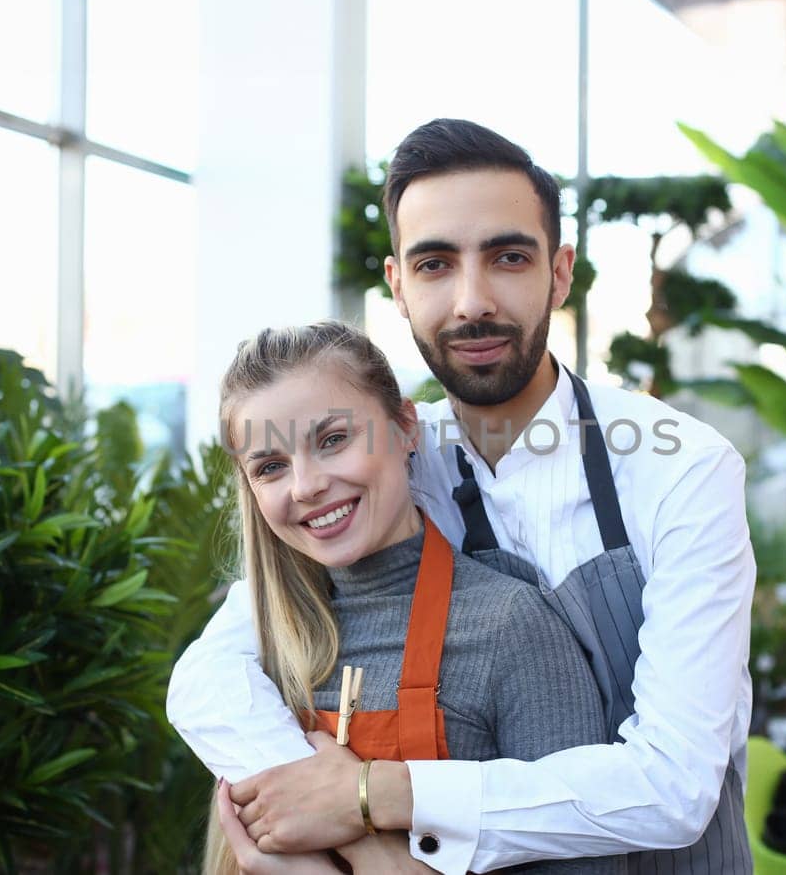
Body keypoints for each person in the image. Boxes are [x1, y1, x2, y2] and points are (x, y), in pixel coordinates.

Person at [171, 119, 756, 874]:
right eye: (435, 264)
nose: (472, 301)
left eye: (508, 257)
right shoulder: (387, 459)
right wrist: (329, 822)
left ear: (559, 272)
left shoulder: (682, 470)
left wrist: (369, 794)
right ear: (398, 287)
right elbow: (208, 675)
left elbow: (673, 787)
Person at [205, 320, 624, 875]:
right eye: (271, 467)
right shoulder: (254, 659)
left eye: (332, 440)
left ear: (406, 426)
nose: (304, 486)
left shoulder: (511, 629)